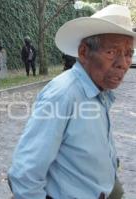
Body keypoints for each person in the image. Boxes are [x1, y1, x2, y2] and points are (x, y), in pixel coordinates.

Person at [8, 4, 134, 199]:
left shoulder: (99, 89)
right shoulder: (63, 94)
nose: (123, 64)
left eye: (128, 53)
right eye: (111, 52)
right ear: (84, 53)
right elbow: (25, 174)